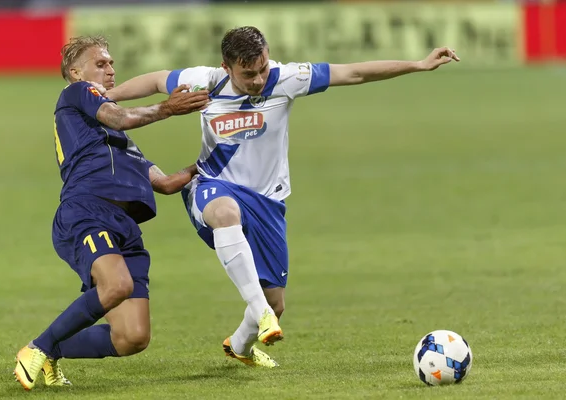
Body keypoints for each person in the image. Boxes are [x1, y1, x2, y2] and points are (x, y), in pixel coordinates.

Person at [106, 26, 459, 368]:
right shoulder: (205, 80)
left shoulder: (286, 78)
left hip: (268, 202)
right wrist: (106, 99)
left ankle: (240, 345)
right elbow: (155, 80)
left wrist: (417, 64)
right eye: (248, 74)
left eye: (262, 68)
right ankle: (258, 310)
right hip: (212, 184)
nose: (258, 79)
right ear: (226, 68)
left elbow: (352, 73)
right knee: (226, 213)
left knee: (277, 303)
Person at [13, 35, 209, 390]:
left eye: (112, 64)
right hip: (86, 211)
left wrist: (204, 165)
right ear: (76, 71)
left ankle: (52, 351)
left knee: (133, 337)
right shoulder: (77, 94)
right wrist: (167, 108)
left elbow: (164, 183)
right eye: (100, 63)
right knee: (117, 285)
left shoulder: (119, 144)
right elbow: (119, 117)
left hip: (124, 227)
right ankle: (36, 348)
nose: (110, 70)